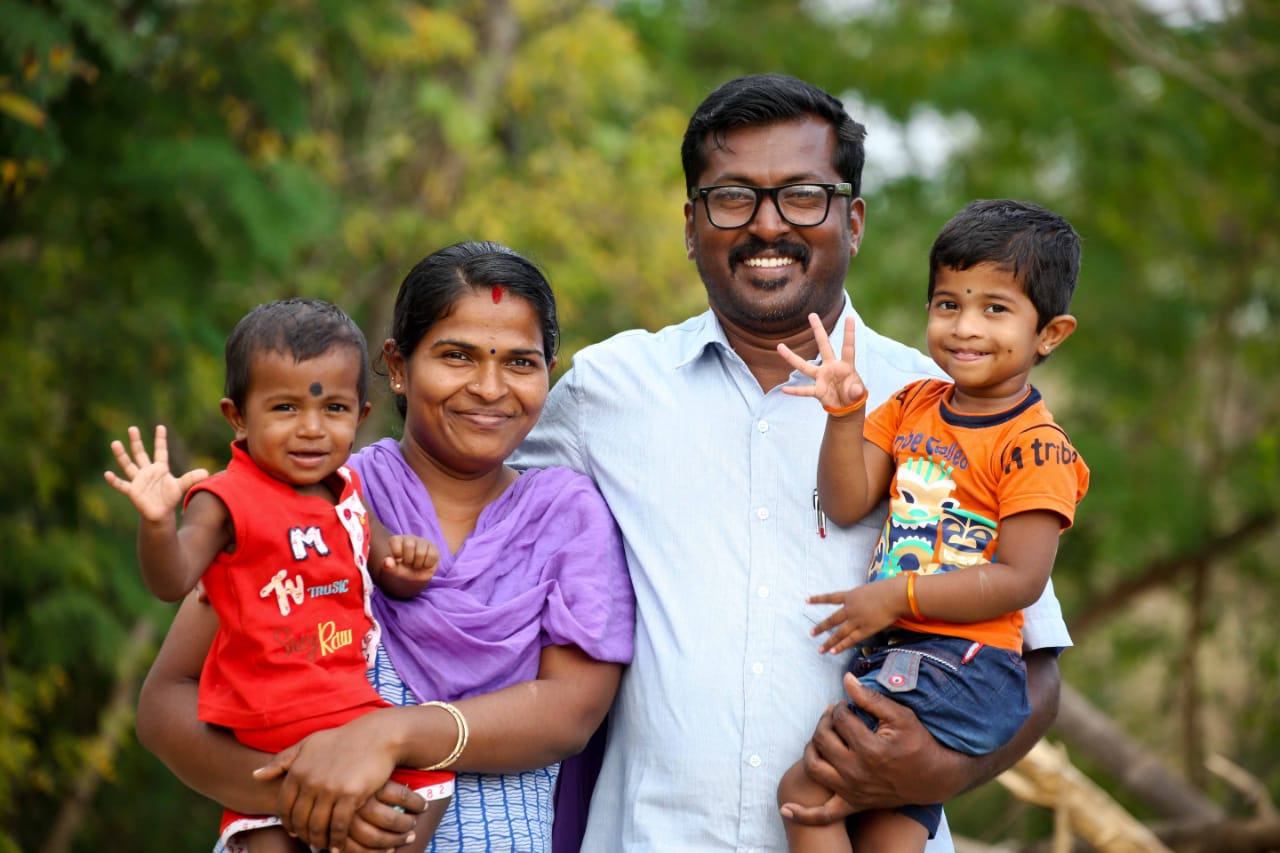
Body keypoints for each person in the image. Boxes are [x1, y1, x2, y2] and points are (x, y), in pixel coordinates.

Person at [512, 74, 1074, 851]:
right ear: (690, 223)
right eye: (732, 196)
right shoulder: (607, 390)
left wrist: (939, 773)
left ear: (855, 220)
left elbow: (1037, 670)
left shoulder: (945, 400)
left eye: (804, 195)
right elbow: (464, 505)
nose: (767, 225)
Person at [134, 242, 635, 853]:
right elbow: (166, 702)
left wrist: (390, 736)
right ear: (397, 366)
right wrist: (302, 799)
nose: (489, 387)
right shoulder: (316, 497)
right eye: (457, 356)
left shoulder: (569, 516)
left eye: (522, 364)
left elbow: (569, 712)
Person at [773, 199, 1089, 852]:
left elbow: (1022, 578)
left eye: (994, 309)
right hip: (910, 660)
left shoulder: (1036, 446)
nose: (965, 327)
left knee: (805, 793)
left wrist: (896, 595)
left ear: (1050, 333)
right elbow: (846, 500)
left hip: (961, 666)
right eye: (948, 304)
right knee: (887, 833)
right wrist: (844, 416)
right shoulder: (914, 404)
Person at [106, 298, 452, 853]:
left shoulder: (347, 495)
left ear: (360, 416)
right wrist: (155, 526)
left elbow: (388, 571)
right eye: (286, 409)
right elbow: (172, 580)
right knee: (273, 831)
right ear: (238, 416)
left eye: (334, 409)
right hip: (269, 711)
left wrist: (409, 562)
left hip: (344, 707)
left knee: (429, 781)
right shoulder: (226, 500)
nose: (312, 430)